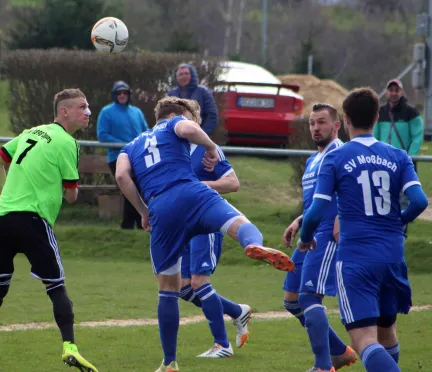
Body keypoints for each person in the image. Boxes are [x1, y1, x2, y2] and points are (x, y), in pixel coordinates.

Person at [115, 96, 294, 372]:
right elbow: (187, 129)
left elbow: (121, 177)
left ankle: (170, 362)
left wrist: (142, 211)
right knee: (238, 223)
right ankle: (254, 245)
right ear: (178, 115)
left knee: (168, 290)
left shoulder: (131, 145)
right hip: (193, 194)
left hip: (161, 206)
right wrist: (210, 146)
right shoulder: (179, 126)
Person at [0, 89, 98, 372]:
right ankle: (70, 348)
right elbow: (72, 196)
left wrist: (6, 196)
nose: (88, 112)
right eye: (82, 107)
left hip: (1, 218)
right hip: (33, 221)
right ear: (64, 112)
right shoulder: (67, 143)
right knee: (56, 287)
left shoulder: (31, 132)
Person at [299, 87, 428, 372]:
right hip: (392, 256)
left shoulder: (336, 157)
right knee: (387, 334)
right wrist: (399, 221)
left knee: (364, 341)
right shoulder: (398, 155)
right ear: (376, 117)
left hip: (356, 257)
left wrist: (305, 238)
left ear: (345, 120)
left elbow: (316, 212)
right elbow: (419, 201)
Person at [281, 103, 357, 372]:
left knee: (309, 297)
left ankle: (323, 366)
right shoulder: (314, 159)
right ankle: (339, 352)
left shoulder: (342, 152)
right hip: (311, 230)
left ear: (337, 125)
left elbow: (355, 188)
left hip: (328, 234)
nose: (316, 127)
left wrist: (342, 218)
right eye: (312, 123)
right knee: (291, 299)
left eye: (322, 122)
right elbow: (318, 199)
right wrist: (299, 220)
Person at [179, 140, 252, 358]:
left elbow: (232, 183)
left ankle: (222, 345)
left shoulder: (206, 149)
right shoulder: (169, 149)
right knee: (182, 287)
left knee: (199, 281)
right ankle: (238, 311)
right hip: (183, 223)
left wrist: (200, 186)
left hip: (205, 220)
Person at [97, 81, 149, 229]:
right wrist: (125, 144)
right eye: (119, 93)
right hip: (118, 157)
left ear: (128, 95)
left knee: (139, 188)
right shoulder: (106, 112)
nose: (122, 95)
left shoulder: (136, 112)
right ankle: (129, 224)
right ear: (115, 95)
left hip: (138, 156)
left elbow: (146, 131)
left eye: (124, 93)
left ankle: (138, 223)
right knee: (128, 187)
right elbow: (103, 135)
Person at [374, 79, 423, 169]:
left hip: (404, 162)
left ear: (402, 92)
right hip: (384, 161)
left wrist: (409, 157)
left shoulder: (411, 112)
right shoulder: (380, 112)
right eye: (391, 90)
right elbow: (375, 135)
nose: (394, 93)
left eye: (397, 90)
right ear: (386, 92)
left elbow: (417, 137)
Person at [167, 64, 219, 136]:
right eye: (180, 74)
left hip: (199, 137)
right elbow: (166, 117)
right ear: (176, 77)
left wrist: (202, 134)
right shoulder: (171, 94)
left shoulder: (203, 92)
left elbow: (212, 116)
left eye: (186, 73)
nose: (183, 76)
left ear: (192, 75)